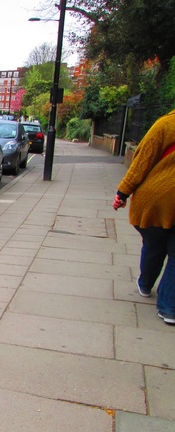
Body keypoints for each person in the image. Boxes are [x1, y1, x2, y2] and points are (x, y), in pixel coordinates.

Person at [112, 109, 175, 324]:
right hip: (161, 200)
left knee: (154, 244)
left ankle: (146, 284)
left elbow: (142, 162)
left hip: (156, 200)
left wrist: (122, 193)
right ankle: (168, 308)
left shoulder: (166, 125)